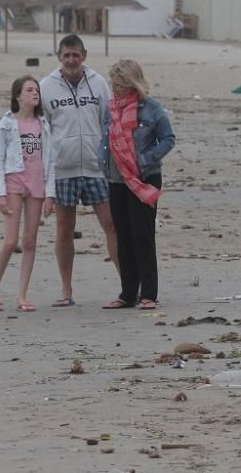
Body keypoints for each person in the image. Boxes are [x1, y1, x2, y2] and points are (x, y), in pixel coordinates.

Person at [40, 34, 119, 307]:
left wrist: (109, 159)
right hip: (63, 168)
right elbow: (42, 129)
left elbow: (108, 121)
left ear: (84, 55)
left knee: (111, 224)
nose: (71, 60)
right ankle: (66, 290)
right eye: (66, 55)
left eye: (76, 54)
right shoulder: (46, 87)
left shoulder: (98, 83)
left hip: (96, 167)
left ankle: (128, 285)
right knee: (64, 228)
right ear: (59, 57)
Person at [98, 60, 175, 310]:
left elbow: (167, 139)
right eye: (113, 84)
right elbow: (105, 139)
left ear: (132, 83)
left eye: (119, 84)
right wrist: (102, 163)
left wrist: (144, 159)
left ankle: (149, 293)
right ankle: (128, 292)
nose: (115, 89)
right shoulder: (110, 109)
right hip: (116, 178)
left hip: (144, 178)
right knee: (123, 236)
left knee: (143, 235)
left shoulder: (152, 109)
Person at [0, 76, 56, 312]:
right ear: (18, 95)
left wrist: (50, 194)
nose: (35, 93)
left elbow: (50, 160)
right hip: (14, 181)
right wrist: (0, 193)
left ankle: (22, 295)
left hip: (37, 184)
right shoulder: (6, 123)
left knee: (30, 240)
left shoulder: (43, 125)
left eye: (36, 90)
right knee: (10, 240)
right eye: (29, 90)